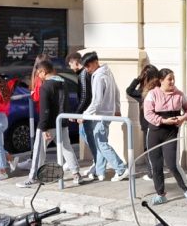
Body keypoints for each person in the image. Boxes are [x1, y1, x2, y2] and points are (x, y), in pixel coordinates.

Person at [18, 61, 82, 188]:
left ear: (43, 71)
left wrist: (43, 128)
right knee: (67, 148)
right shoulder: (63, 82)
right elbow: (65, 103)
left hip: (48, 124)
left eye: (38, 73)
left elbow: (45, 110)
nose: (38, 76)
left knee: (39, 151)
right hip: (62, 121)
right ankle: (76, 173)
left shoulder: (46, 86)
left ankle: (33, 177)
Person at [144, 68, 187, 205]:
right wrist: (163, 120)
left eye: (173, 79)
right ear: (161, 80)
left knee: (172, 164)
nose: (172, 81)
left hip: (171, 133)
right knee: (156, 165)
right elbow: (148, 113)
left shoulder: (179, 95)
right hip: (154, 133)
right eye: (169, 79)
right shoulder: (152, 94)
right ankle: (160, 194)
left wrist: (184, 117)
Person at [82, 52, 128, 182]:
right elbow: (117, 91)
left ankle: (120, 168)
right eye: (85, 67)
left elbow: (97, 101)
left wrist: (85, 115)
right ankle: (100, 170)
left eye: (88, 66)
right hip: (106, 113)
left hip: (101, 114)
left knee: (101, 143)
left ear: (95, 62)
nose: (87, 69)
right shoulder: (107, 72)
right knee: (100, 142)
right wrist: (117, 108)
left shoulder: (99, 76)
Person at [68, 52, 98, 177]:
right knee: (87, 136)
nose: (70, 67)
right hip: (88, 112)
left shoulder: (83, 74)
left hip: (87, 112)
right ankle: (98, 163)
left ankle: (98, 164)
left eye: (70, 64)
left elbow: (85, 97)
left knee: (91, 139)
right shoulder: (85, 73)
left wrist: (78, 114)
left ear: (75, 62)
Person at [127, 63, 159, 178]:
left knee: (148, 149)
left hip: (147, 124)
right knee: (156, 149)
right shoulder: (159, 89)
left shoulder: (144, 93)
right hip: (159, 123)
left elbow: (129, 90)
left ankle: (152, 174)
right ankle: (155, 172)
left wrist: (137, 79)